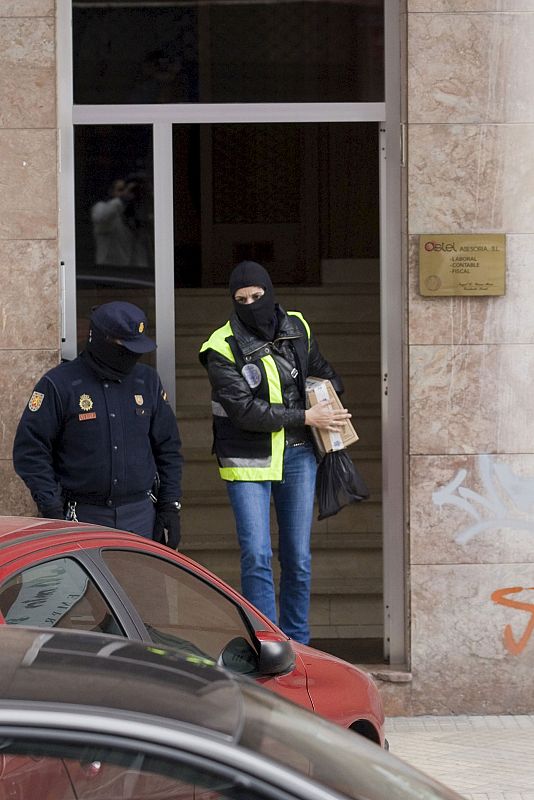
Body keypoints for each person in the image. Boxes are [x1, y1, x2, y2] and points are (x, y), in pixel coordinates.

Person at [199, 261, 351, 644]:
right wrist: (306, 414)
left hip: (298, 454)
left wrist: (329, 398)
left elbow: (321, 370)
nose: (251, 304)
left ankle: (298, 643)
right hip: (247, 461)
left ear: (270, 291)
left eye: (256, 296)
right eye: (241, 299)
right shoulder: (220, 346)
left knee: (298, 558)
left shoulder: (297, 326)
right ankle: (269, 643)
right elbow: (244, 411)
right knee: (257, 555)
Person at [13, 301, 183, 548]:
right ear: (101, 339)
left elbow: (168, 448)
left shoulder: (147, 381)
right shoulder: (59, 384)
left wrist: (170, 504)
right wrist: (51, 508)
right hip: (80, 517)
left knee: (138, 588)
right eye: (125, 347)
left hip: (140, 516)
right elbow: (30, 451)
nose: (131, 356)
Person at [91, 176, 152, 276]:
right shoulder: (102, 207)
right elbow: (100, 217)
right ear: (111, 192)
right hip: (108, 271)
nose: (126, 193)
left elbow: (140, 251)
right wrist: (122, 199)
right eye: (120, 190)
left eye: (128, 190)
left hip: (131, 273)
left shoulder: (136, 214)